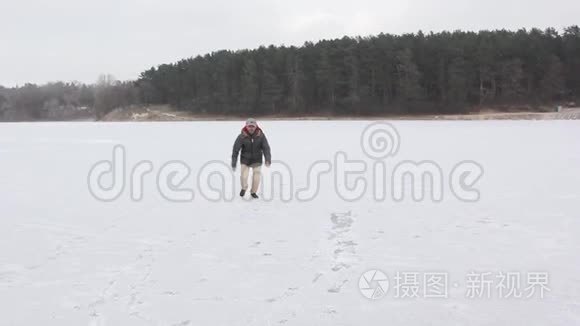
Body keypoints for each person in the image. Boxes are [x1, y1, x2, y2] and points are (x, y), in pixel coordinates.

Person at [231, 118, 271, 199]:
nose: (251, 128)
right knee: (244, 176)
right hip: (245, 160)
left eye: (253, 126)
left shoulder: (261, 136)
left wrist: (268, 159)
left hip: (257, 160)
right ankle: (244, 188)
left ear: (256, 127)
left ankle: (253, 192)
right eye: (249, 126)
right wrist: (234, 162)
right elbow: (236, 149)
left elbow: (266, 148)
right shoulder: (241, 136)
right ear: (246, 126)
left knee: (257, 177)